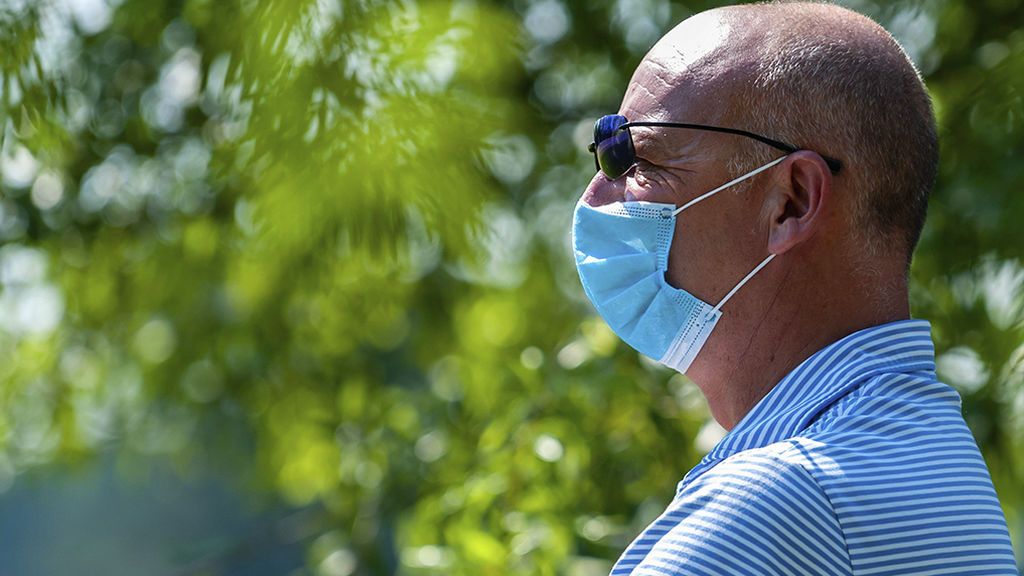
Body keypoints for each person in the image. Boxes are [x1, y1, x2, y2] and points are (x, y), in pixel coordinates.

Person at [571, 2, 1020, 575]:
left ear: (792, 201)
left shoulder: (776, 503)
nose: (596, 196)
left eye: (633, 156)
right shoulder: (932, 457)